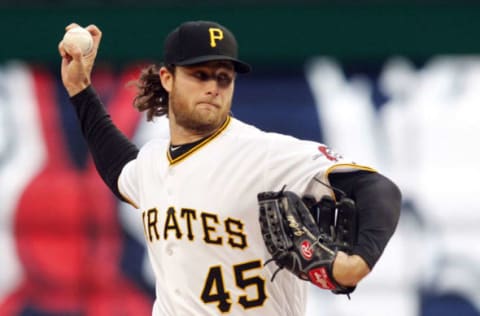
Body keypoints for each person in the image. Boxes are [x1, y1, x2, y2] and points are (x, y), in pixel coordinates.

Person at [59, 20, 402, 316]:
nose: (213, 87)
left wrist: (355, 264)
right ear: (167, 78)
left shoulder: (265, 154)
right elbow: (118, 166)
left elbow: (378, 189)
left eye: (224, 78)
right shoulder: (151, 162)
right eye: (200, 74)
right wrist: (79, 89)